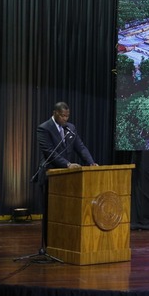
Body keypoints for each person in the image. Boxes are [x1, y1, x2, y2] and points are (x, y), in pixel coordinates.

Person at [35, 102, 97, 247]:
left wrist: (91, 162)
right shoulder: (44, 128)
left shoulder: (71, 128)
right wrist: (68, 164)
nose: (65, 119)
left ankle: (64, 245)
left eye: (67, 116)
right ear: (55, 113)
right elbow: (50, 152)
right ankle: (50, 245)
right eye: (63, 116)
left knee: (66, 211)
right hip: (51, 176)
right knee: (51, 213)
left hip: (67, 178)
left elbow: (80, 147)